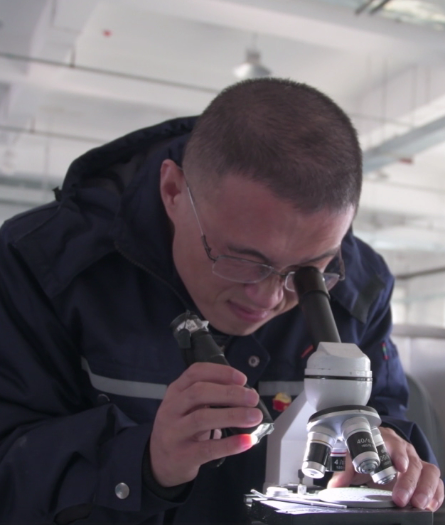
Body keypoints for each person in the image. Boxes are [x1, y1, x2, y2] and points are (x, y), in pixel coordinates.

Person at [0, 78, 442, 524]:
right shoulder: (41, 267)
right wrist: (145, 463)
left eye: (307, 272)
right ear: (173, 191)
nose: (269, 298)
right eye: (242, 260)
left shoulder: (359, 285)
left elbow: (386, 412)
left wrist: (395, 460)